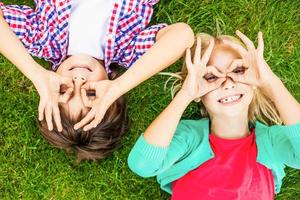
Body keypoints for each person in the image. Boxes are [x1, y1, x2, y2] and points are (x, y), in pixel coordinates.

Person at [0, 0, 194, 161]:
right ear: (110, 92)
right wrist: (121, 85)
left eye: (64, 90)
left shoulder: (42, 40)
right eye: (90, 92)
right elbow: (183, 35)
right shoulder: (127, 50)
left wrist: (34, 72)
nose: (78, 79)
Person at [128, 31, 300, 199]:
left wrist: (271, 82)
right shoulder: (190, 138)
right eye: (211, 77)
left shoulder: (269, 143)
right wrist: (185, 95)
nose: (227, 83)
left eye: (239, 70)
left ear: (255, 81)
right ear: (198, 91)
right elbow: (142, 165)